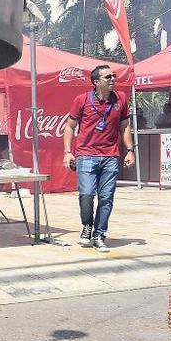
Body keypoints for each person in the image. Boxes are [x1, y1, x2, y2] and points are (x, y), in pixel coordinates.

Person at [63, 65, 135, 252]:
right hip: (86, 155)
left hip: (110, 156)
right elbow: (69, 127)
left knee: (106, 197)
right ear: (96, 82)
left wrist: (130, 150)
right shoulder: (82, 100)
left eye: (114, 76)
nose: (113, 79)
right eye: (108, 77)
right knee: (86, 194)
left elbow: (125, 126)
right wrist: (67, 152)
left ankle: (99, 234)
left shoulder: (121, 99)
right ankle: (87, 226)